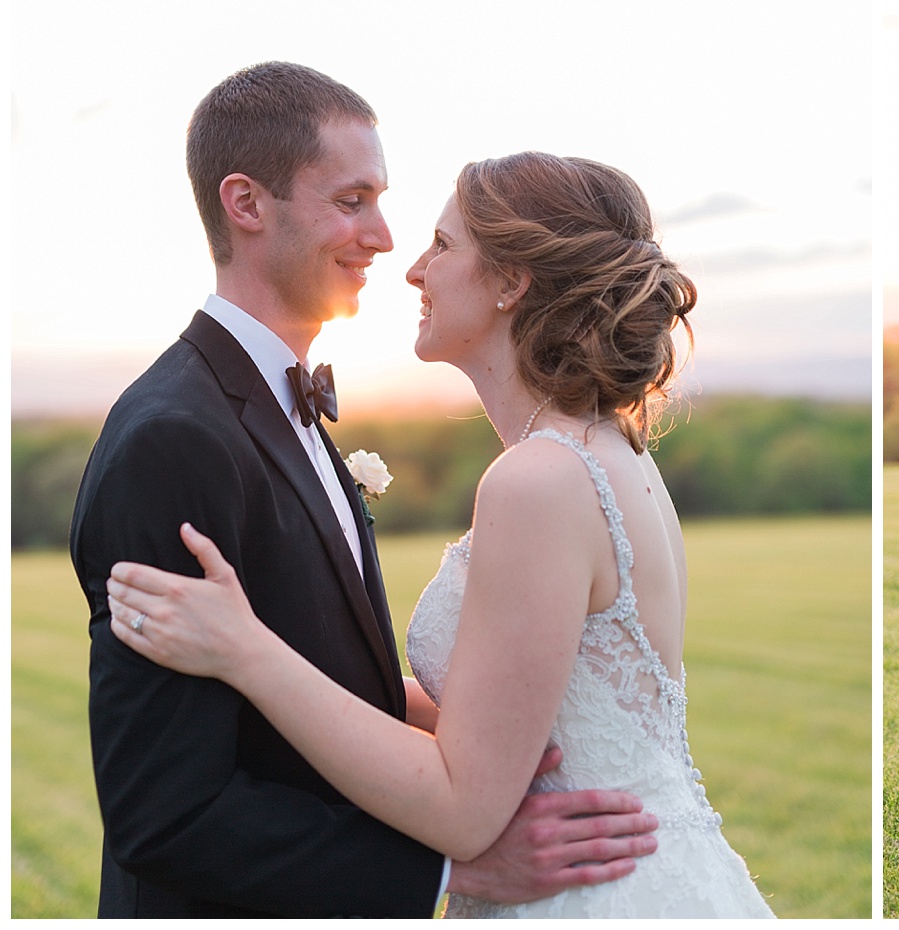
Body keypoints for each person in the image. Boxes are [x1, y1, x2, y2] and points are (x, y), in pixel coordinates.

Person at [104, 148, 777, 918]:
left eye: (444, 245)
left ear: (510, 282)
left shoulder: (541, 481)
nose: (415, 269)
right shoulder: (612, 453)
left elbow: (463, 809)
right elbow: (526, 711)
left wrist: (242, 649)